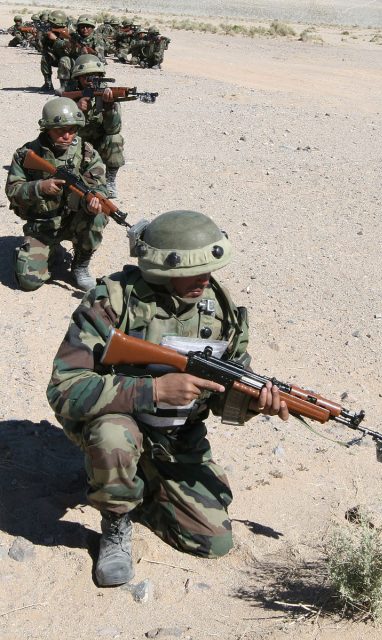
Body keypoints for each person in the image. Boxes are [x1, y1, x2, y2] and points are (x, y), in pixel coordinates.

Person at [46, 209, 289, 587]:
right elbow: (65, 388)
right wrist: (153, 390)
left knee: (214, 540)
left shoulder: (222, 313)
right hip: (117, 421)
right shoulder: (114, 300)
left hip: (175, 436)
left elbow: (224, 395)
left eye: (210, 269)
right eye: (192, 272)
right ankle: (116, 521)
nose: (205, 280)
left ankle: (138, 485)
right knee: (113, 436)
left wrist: (256, 403)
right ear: (160, 268)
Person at [5, 97, 109, 292]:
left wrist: (93, 200)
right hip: (42, 224)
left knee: (99, 214)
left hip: (74, 219)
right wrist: (40, 187)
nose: (67, 136)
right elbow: (12, 190)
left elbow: (100, 186)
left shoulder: (86, 152)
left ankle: (80, 265)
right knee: (28, 282)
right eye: (60, 130)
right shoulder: (27, 154)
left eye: (72, 130)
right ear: (46, 128)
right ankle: (46, 253)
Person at [61, 54, 125, 198]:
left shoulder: (107, 94)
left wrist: (109, 108)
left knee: (115, 138)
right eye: (86, 77)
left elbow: (113, 129)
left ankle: (110, 181)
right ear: (77, 77)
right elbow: (58, 128)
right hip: (76, 143)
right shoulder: (70, 96)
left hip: (99, 142)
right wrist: (76, 110)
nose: (90, 81)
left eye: (95, 76)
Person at [39, 10, 71, 92]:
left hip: (71, 61)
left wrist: (56, 39)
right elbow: (42, 47)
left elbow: (69, 47)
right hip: (58, 58)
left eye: (52, 24)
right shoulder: (51, 31)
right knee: (45, 57)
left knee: (64, 60)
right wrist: (41, 37)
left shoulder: (70, 32)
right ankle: (48, 84)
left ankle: (64, 86)